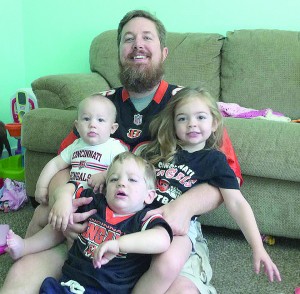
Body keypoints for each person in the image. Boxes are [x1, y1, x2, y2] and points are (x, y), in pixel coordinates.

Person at [1, 10, 241, 294]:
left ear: (163, 52)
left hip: (159, 232)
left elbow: (228, 181)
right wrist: (63, 198)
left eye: (146, 38)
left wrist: (183, 207)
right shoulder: (99, 106)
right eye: (129, 39)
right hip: (93, 225)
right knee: (21, 277)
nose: (137, 44)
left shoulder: (189, 107)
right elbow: (65, 161)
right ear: (118, 54)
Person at [132, 87, 282, 293]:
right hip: (141, 217)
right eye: (183, 119)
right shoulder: (157, 151)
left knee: (170, 271)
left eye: (200, 117)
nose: (192, 123)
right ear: (173, 124)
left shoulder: (214, 160)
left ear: (214, 123)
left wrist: (257, 247)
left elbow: (237, 203)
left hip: (181, 229)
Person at [7, 152, 173, 293]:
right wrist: (63, 198)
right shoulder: (95, 202)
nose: (121, 183)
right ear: (106, 188)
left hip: (106, 290)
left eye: (132, 180)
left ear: (149, 196)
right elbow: (70, 186)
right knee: (62, 219)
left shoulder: (142, 219)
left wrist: (120, 245)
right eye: (114, 179)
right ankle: (25, 246)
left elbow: (163, 239)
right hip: (68, 283)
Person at [6, 94, 125, 260]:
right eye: (86, 119)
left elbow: (125, 171)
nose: (92, 125)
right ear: (77, 125)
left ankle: (58, 260)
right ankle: (25, 247)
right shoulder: (75, 146)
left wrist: (106, 174)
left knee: (64, 232)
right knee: (49, 220)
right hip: (70, 197)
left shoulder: (114, 147)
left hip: (96, 203)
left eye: (100, 120)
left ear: (113, 128)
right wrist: (41, 187)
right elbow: (55, 164)